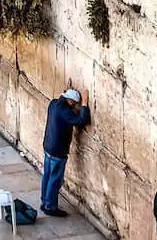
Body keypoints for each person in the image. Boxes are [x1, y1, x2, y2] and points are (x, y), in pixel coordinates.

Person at [40, 88, 91, 217]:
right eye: (74, 104)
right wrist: (84, 104)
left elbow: (63, 102)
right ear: (70, 101)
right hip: (58, 151)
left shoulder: (53, 103)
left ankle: (44, 201)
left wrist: (66, 90)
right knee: (55, 179)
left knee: (47, 175)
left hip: (48, 147)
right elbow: (81, 120)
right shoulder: (66, 112)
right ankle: (50, 207)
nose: (75, 107)